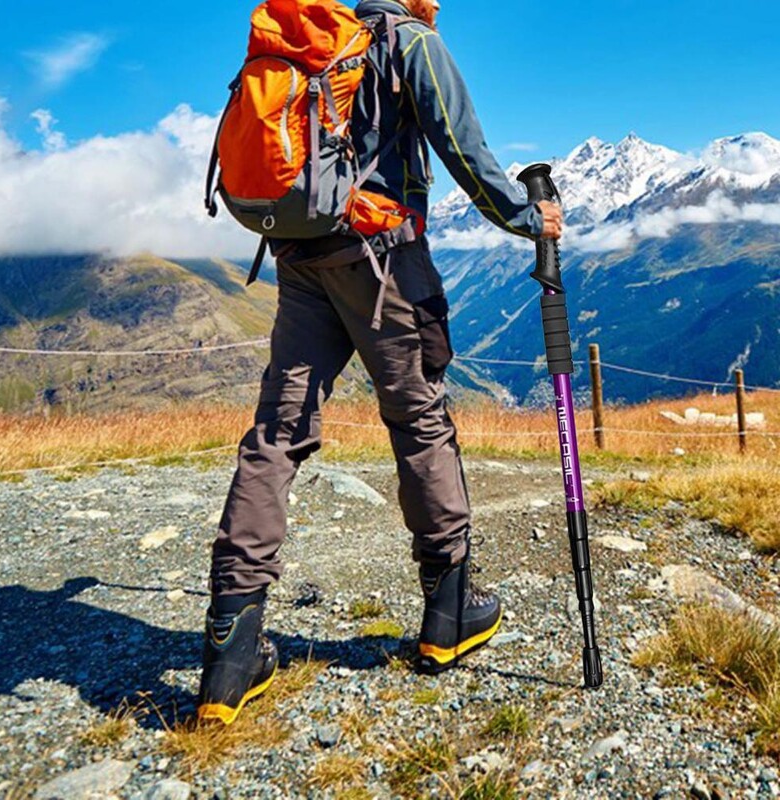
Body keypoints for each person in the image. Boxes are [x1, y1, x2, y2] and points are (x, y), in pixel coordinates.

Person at [197, 0, 564, 725]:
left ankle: (230, 652)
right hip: (384, 260)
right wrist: (530, 218)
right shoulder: (410, 42)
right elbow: (464, 150)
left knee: (276, 434)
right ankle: (450, 611)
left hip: (300, 260)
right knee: (419, 419)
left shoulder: (315, 42)